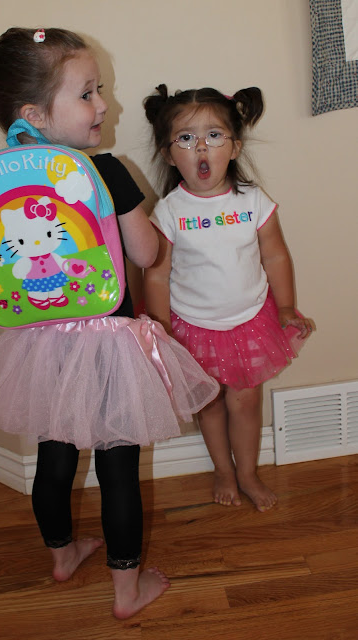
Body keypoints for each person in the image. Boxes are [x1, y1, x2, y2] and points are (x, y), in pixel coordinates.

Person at [0, 31, 219, 619]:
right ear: (34, 114)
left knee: (53, 457)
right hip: (107, 341)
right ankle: (127, 591)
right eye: (87, 93)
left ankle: (62, 555)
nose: (103, 104)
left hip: (39, 344)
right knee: (117, 466)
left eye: (99, 90)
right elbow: (147, 254)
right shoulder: (104, 170)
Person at [143, 84, 314, 513]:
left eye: (214, 136)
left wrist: (286, 306)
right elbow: (157, 274)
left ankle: (248, 472)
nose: (201, 147)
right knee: (210, 402)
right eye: (186, 138)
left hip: (250, 321)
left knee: (246, 401)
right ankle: (223, 469)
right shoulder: (168, 211)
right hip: (191, 326)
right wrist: (161, 329)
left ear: (235, 147)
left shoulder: (253, 201)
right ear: (169, 154)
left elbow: (275, 255)